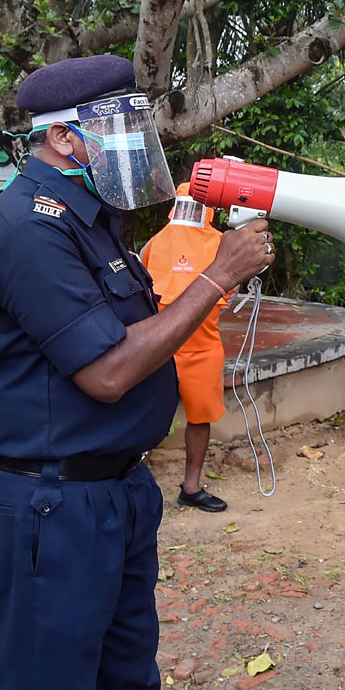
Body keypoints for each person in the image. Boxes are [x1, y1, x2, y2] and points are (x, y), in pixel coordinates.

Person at [0, 54, 273, 690]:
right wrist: (218, 274)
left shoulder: (90, 220)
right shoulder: (29, 228)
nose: (137, 143)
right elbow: (106, 372)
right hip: (50, 505)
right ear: (66, 139)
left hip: (110, 497)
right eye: (121, 126)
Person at [141, 183, 231, 513]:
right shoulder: (159, 242)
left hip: (202, 349)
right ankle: (133, 480)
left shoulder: (221, 243)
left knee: (199, 416)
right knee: (144, 412)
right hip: (160, 348)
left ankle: (191, 488)